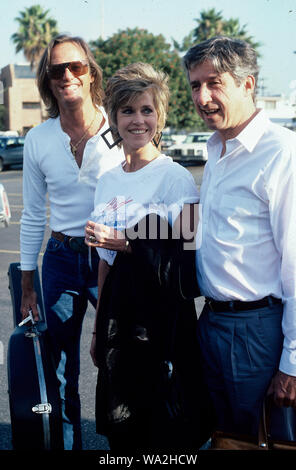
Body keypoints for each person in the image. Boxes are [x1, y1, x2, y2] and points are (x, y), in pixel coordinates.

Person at [85, 62, 214, 450]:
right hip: (118, 326)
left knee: (167, 432)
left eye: (146, 110)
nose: (137, 120)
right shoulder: (107, 180)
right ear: (113, 118)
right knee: (124, 435)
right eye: (127, 110)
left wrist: (128, 242)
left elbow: (190, 258)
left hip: (164, 329)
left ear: (159, 116)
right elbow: (104, 266)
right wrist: (97, 330)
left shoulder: (176, 178)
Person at [183, 35, 296, 439]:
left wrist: (292, 363)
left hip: (255, 331)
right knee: (222, 435)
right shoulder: (217, 148)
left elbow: (295, 265)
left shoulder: (282, 153)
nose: (203, 96)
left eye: (214, 83)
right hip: (211, 321)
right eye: (195, 85)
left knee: (255, 438)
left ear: (248, 84)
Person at [20, 34, 124, 450]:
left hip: (112, 259)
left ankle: (127, 448)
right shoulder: (38, 139)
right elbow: (30, 215)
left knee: (121, 356)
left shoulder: (120, 129)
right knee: (59, 365)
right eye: (57, 69)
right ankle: (67, 445)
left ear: (90, 72)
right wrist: (28, 286)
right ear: (48, 81)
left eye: (76, 66)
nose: (67, 75)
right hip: (61, 258)